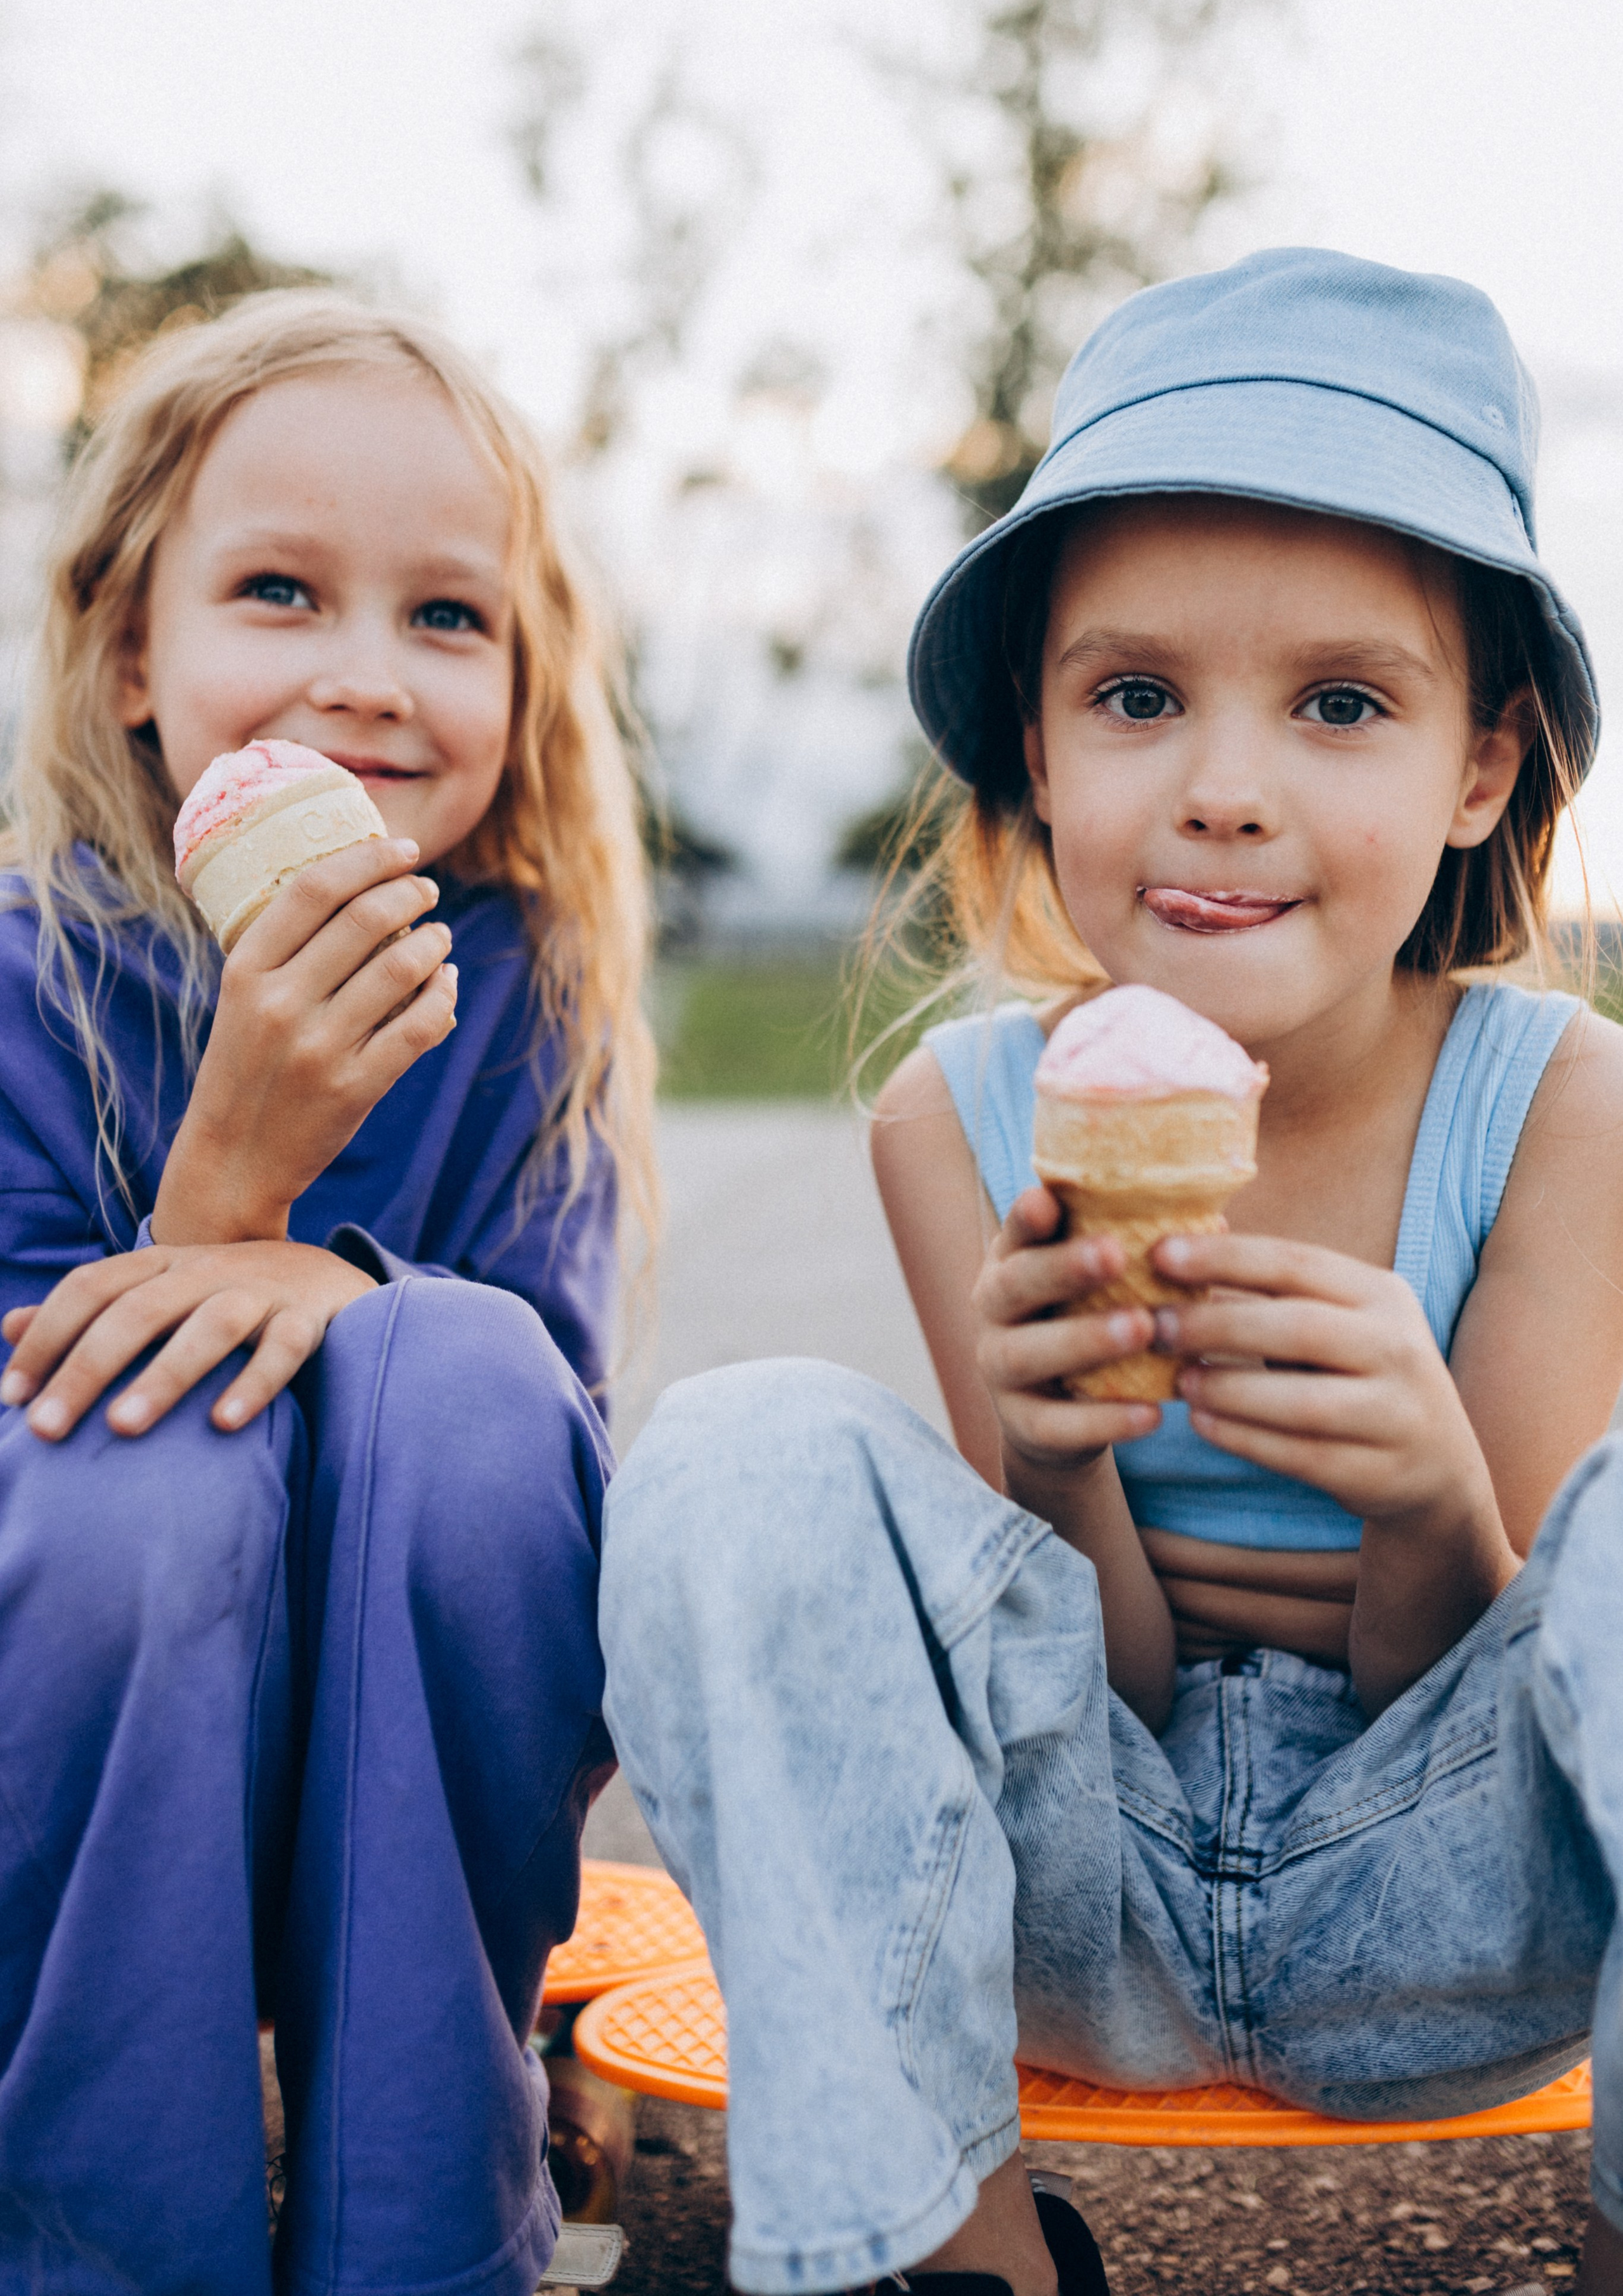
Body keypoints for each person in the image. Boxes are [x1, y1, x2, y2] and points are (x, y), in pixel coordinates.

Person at [599, 251, 1623, 2296]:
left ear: (1482, 771)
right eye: (1137, 697)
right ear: (1043, 756)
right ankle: (951, 2257)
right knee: (738, 1452)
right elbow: (1099, 1689)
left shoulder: (1566, 1106)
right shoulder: (956, 1126)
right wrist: (1059, 1470)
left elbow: (1512, 1693)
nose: (1222, 784)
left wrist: (1425, 1487)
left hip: (1459, 1916)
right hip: (1076, 1913)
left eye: (1341, 704)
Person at [0, 292, 654, 2296]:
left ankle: (427, 2231)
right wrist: (226, 1187)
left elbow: (545, 1464)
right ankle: (110, 2244)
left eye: (447, 619)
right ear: (133, 650)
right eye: (281, 591)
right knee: (144, 1461)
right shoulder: (28, 976)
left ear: (526, 685)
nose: (368, 678)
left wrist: (342, 1291)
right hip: (87, 1741)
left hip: (417, 1747)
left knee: (461, 1372)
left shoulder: (528, 989)